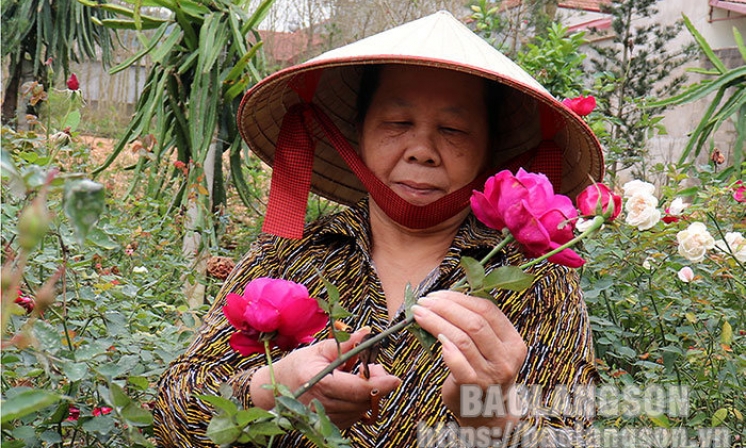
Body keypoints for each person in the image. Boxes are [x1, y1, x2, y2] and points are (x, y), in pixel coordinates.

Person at [154, 11, 604, 447]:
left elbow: (574, 434)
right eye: (397, 123)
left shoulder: (537, 279)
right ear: (358, 133)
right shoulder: (290, 255)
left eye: (453, 129)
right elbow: (171, 413)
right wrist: (269, 390)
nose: (422, 150)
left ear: (490, 151)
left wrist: (496, 420)